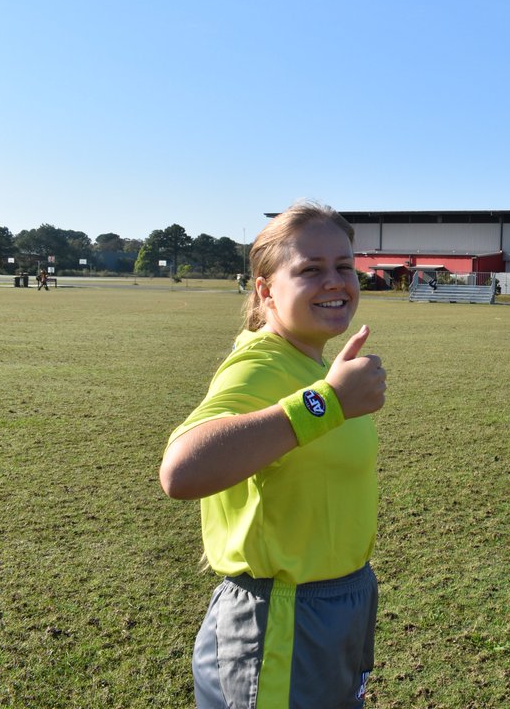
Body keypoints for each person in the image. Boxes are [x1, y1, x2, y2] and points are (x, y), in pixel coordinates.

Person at [159, 201, 387, 709]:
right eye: (310, 269)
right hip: (283, 616)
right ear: (265, 290)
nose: (335, 281)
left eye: (344, 267)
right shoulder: (259, 366)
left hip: (337, 606)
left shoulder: (309, 363)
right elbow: (181, 470)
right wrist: (327, 403)